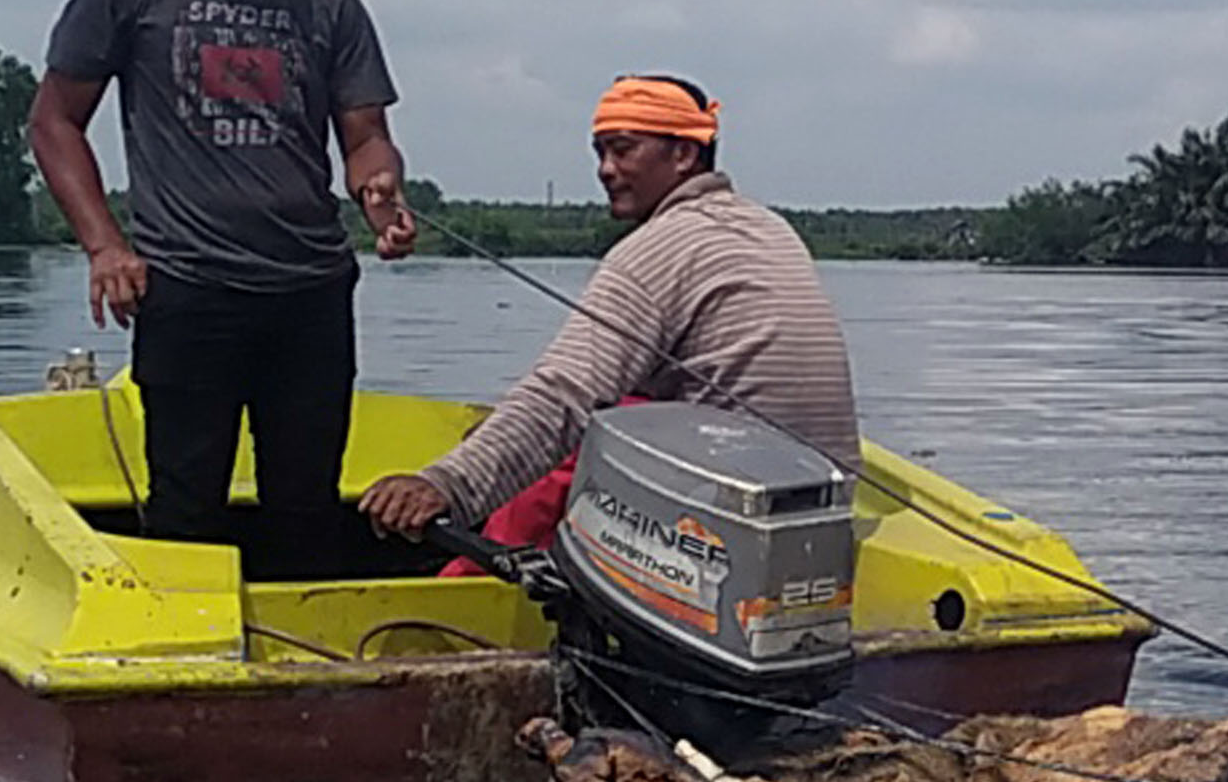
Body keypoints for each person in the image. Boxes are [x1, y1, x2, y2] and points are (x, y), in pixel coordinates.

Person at [30, 0, 418, 578]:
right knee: (184, 502)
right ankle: (179, 670)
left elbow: (367, 135)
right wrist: (106, 246)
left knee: (306, 502)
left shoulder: (330, 5)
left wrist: (380, 192)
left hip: (308, 292)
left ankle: (310, 671)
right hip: (186, 290)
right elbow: (52, 122)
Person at [358, 75, 859, 546]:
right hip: (826, 509)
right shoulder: (770, 228)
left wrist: (446, 484)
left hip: (727, 523)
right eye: (599, 152)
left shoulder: (662, 246)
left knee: (576, 448)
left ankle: (461, 592)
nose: (605, 169)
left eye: (623, 150)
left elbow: (564, 395)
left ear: (684, 154)